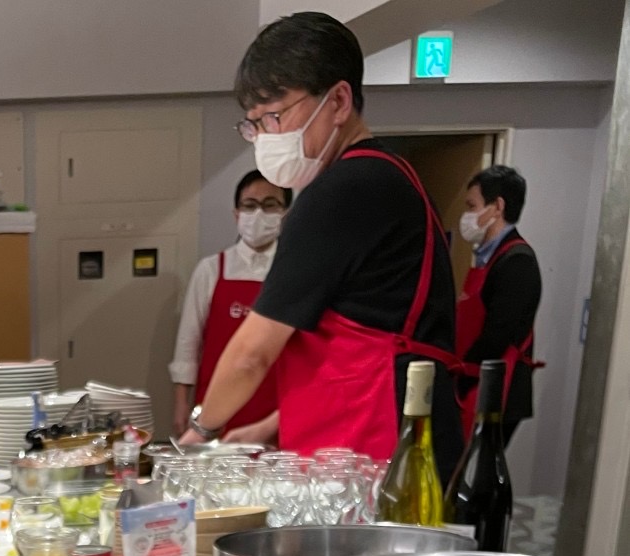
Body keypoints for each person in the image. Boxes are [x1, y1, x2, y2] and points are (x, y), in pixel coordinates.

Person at [181, 11, 463, 482]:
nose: (266, 136)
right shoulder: (388, 175)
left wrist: (202, 428)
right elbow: (373, 315)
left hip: (381, 449)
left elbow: (254, 351)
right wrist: (270, 426)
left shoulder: (345, 189)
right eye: (254, 124)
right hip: (400, 435)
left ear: (338, 100)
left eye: (275, 115)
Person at [170, 170, 291, 442]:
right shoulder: (211, 269)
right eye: (250, 205)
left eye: (270, 204)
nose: (258, 213)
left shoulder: (292, 273)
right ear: (237, 213)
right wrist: (181, 402)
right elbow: (188, 342)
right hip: (216, 407)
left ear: (284, 213)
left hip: (273, 407)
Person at [457, 165, 542, 442]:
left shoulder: (517, 261)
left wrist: (460, 376)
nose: (466, 216)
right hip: (477, 383)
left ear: (497, 207)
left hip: (496, 390)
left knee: (478, 478)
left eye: (472, 206)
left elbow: (498, 334)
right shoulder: (489, 258)